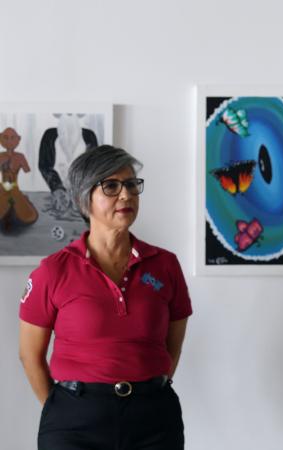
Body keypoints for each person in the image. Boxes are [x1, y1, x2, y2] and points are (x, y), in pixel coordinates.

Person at [19, 145, 192, 450]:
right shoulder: (53, 271)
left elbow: (172, 347)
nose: (126, 195)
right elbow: (30, 355)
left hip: (154, 421)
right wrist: (63, 411)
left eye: (131, 185)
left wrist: (148, 389)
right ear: (83, 199)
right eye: (111, 186)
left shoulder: (165, 265)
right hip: (74, 423)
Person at [0, 127, 39, 230]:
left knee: (25, 211)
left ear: (18, 139)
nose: (9, 141)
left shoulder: (20, 157)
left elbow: (27, 170)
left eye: (13, 138)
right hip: (4, 188)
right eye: (5, 138)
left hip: (14, 189)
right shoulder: (0, 156)